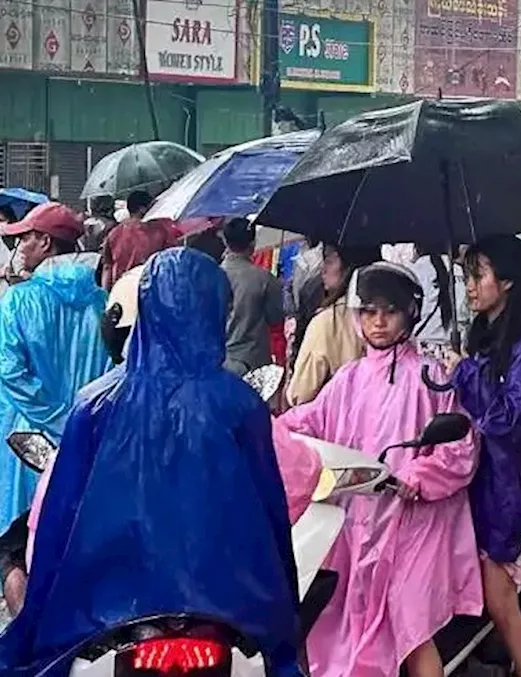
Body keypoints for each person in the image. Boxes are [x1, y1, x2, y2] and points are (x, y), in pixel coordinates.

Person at [0, 248, 302, 677]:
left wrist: (41, 616)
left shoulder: (95, 404)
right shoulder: (241, 404)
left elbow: (58, 522)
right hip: (231, 606)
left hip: (104, 611)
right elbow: (272, 513)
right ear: (217, 311)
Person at [281, 262, 482, 677]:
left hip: (413, 524)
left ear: (410, 313)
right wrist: (260, 426)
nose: (378, 321)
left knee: (411, 629)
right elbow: (309, 420)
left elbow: (460, 446)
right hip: (357, 522)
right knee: (340, 621)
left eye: (389, 311)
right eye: (369, 311)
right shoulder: (349, 378)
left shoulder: (430, 377)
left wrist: (420, 477)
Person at [453, 235, 521, 677]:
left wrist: (466, 373)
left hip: (506, 490)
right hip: (481, 483)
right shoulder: (489, 337)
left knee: (501, 603)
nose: (471, 287)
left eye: (479, 276)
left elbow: (511, 419)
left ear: (509, 281)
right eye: (466, 277)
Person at [0, 204, 110, 531]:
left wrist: (57, 421)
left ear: (46, 243)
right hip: (91, 439)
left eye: (24, 239)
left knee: (22, 544)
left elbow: (10, 372)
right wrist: (76, 424)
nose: (18, 248)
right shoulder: (104, 301)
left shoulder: (17, 300)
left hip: (28, 442)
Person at [287, 244, 382, 406]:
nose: (322, 269)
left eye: (330, 261)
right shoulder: (395, 318)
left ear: (349, 267)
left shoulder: (327, 322)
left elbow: (299, 394)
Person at [222, 217, 285, 375]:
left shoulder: (210, 275)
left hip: (220, 361)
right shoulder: (264, 279)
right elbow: (276, 318)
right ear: (252, 244)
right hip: (253, 362)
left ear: (226, 242)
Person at [98, 190, 174, 289]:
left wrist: (106, 295)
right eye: (152, 206)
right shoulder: (159, 231)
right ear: (142, 209)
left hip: (121, 289)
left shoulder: (114, 233)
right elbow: (170, 261)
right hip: (150, 287)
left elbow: (107, 267)